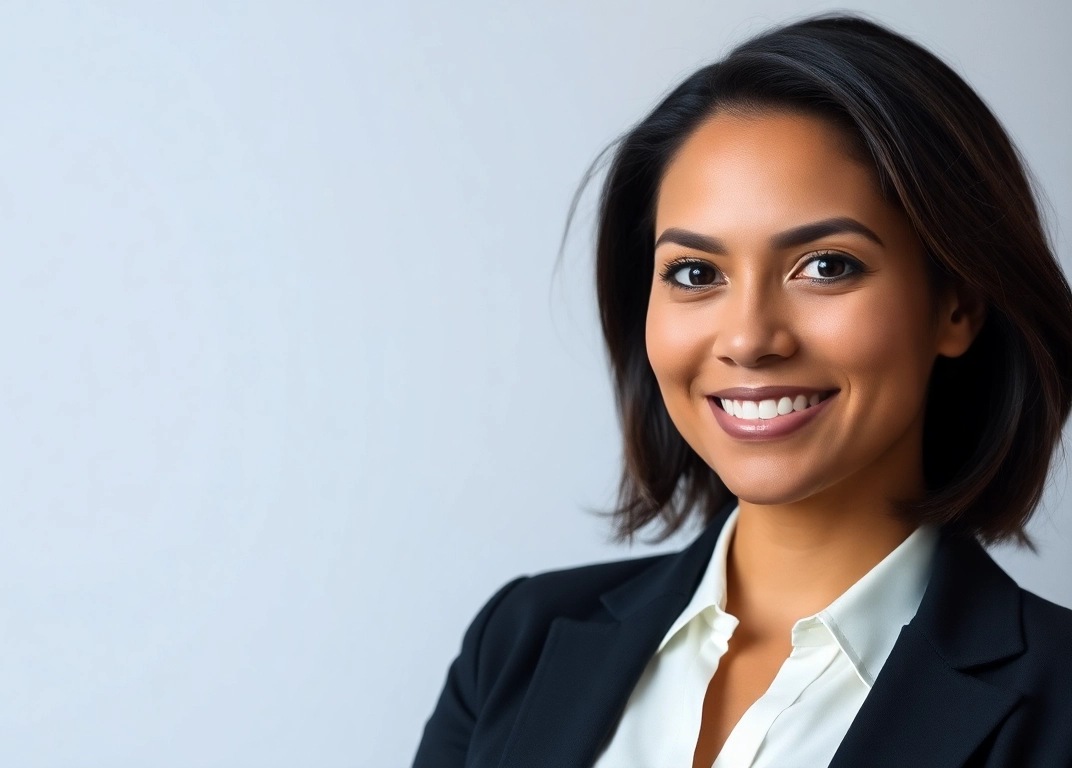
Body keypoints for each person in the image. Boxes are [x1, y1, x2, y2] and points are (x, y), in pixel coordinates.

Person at [411, 14, 1072, 768]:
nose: (749, 337)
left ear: (957, 304)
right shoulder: (516, 645)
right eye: (696, 274)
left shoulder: (1057, 704)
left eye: (826, 265)